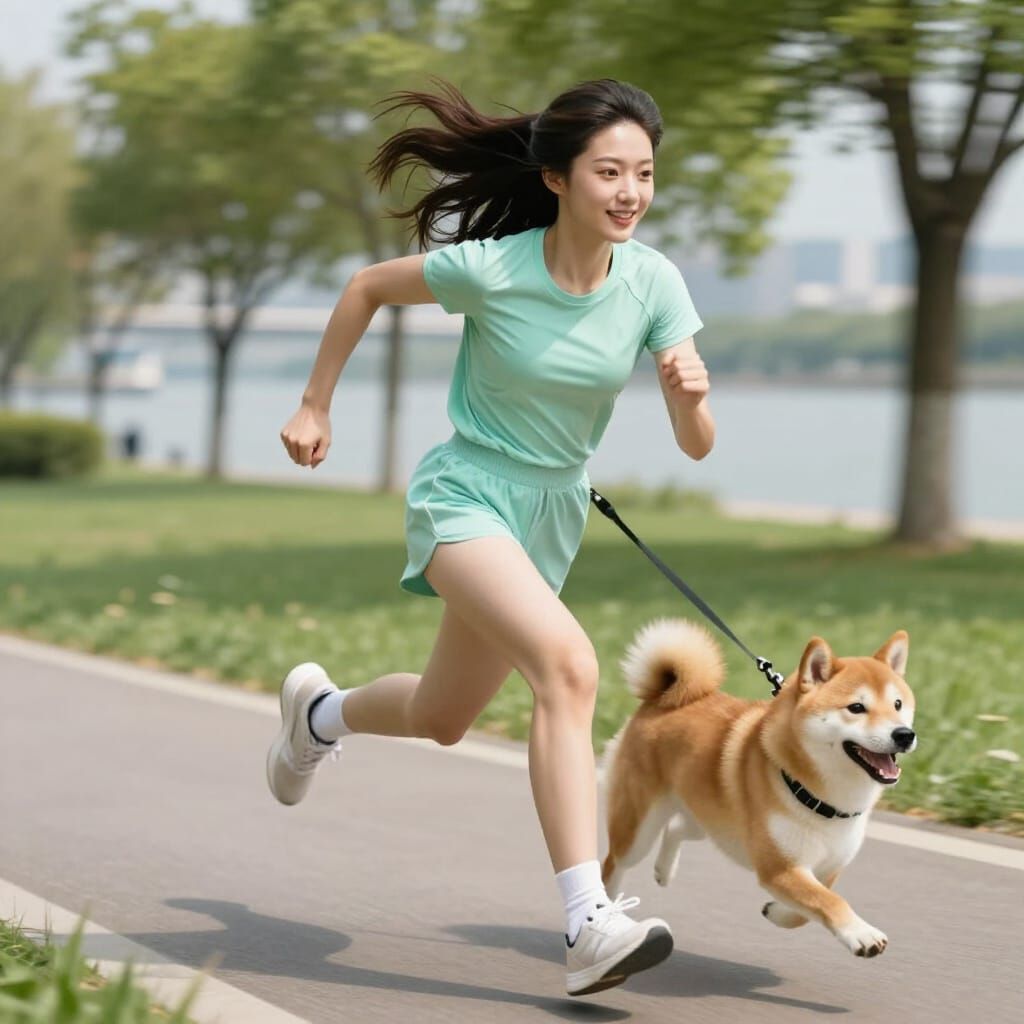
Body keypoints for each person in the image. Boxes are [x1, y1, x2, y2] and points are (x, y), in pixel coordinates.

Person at [269, 77, 714, 997]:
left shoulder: (654, 283)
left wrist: (688, 398)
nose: (630, 191)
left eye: (643, 172)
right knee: (569, 667)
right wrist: (316, 402)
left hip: (550, 515)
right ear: (556, 178)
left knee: (443, 717)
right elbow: (364, 289)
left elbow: (696, 447)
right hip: (465, 496)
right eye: (608, 172)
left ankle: (317, 715)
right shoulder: (495, 267)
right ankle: (588, 919)